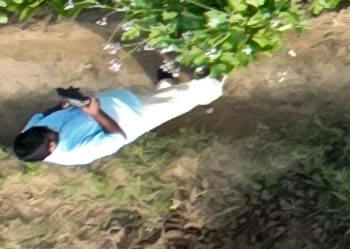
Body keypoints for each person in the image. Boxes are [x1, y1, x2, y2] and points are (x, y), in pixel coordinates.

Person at [13, 60, 220, 168]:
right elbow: (116, 137)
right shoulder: (76, 153)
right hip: (135, 115)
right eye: (51, 133)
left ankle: (166, 85)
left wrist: (61, 105)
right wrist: (95, 114)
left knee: (161, 95)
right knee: (183, 99)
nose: (50, 126)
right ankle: (218, 79)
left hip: (117, 99)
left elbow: (40, 116)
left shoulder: (31, 134)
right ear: (50, 147)